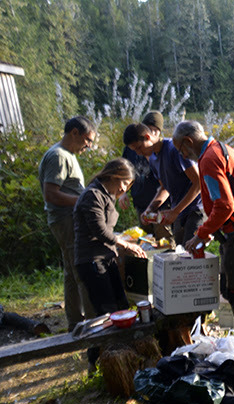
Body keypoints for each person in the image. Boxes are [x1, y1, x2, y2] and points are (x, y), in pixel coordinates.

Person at [173, 120, 234, 351]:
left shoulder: (208, 159)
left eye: (181, 150)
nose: (183, 155)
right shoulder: (223, 149)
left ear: (188, 141)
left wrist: (202, 233)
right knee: (229, 289)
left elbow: (225, 205)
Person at [73, 158, 148, 370]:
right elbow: (98, 230)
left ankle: (124, 355)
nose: (125, 189)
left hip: (107, 257)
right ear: (114, 176)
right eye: (124, 183)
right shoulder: (92, 195)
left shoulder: (107, 195)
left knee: (121, 306)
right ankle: (98, 360)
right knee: (106, 311)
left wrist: (122, 241)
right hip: (92, 260)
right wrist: (124, 243)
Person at [38, 115, 97, 331]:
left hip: (66, 220)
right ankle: (91, 324)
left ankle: (75, 322)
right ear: (74, 133)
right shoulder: (58, 156)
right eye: (87, 140)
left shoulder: (66, 155)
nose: (88, 146)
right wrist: (84, 201)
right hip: (65, 220)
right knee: (82, 270)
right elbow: (51, 194)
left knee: (72, 272)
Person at [122, 111, 205, 246]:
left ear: (148, 137)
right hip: (178, 212)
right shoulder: (153, 158)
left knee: (192, 256)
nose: (139, 153)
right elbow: (164, 188)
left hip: (195, 209)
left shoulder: (173, 149)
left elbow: (198, 182)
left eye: (139, 148)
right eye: (134, 150)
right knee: (179, 253)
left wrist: (175, 211)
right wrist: (150, 208)